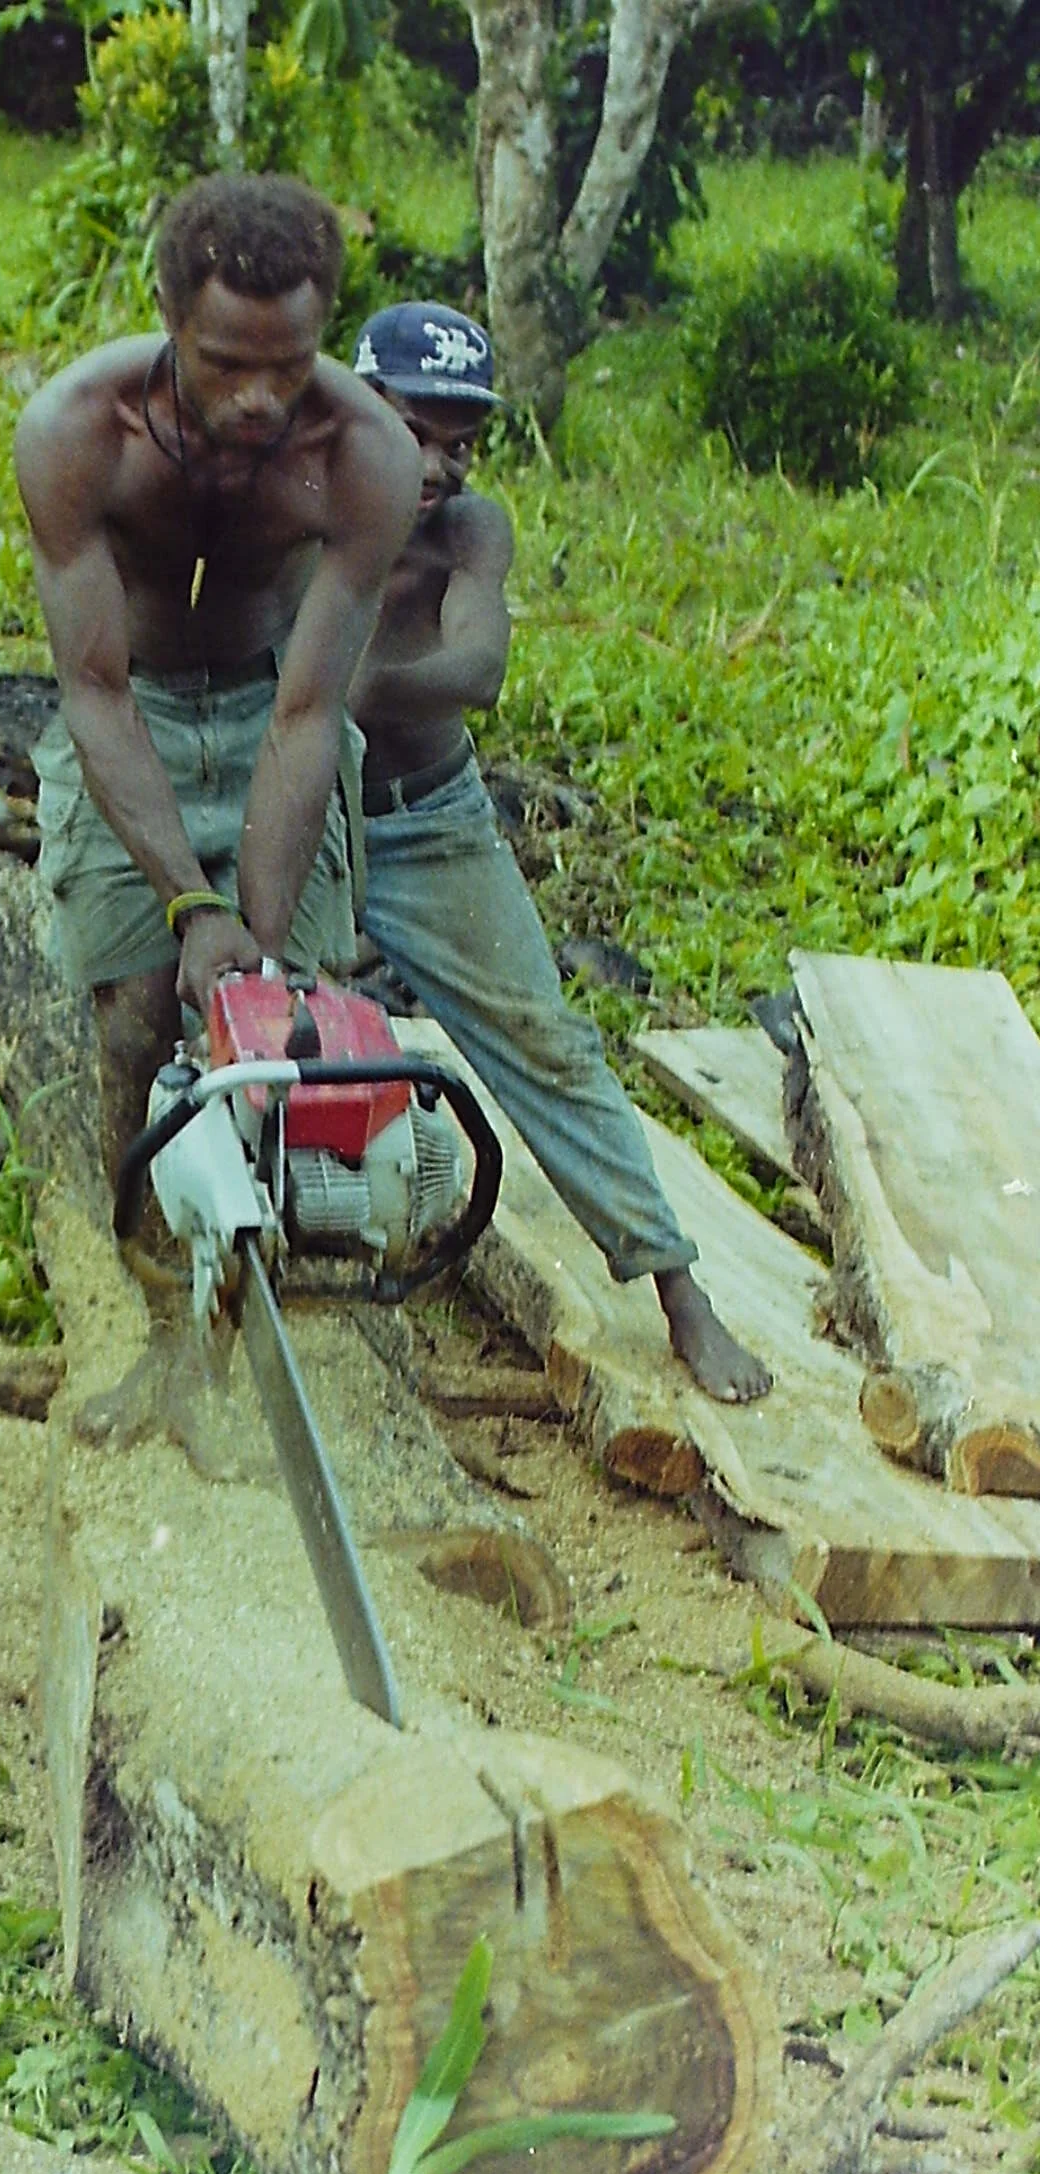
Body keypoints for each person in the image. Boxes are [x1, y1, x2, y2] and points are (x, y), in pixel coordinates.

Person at [346, 302, 770, 1403]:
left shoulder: (468, 533)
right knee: (259, 1026)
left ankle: (679, 1293)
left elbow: (475, 668)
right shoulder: (289, 513)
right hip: (303, 807)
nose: (437, 467)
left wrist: (337, 689)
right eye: (411, 433)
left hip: (430, 817)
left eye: (460, 446)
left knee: (549, 1041)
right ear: (352, 409)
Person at [15, 171, 419, 1199]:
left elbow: (309, 707)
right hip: (133, 703)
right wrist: (194, 908)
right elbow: (95, 692)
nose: (258, 398)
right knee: (139, 1015)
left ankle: (278, 1225)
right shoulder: (76, 432)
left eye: (287, 368)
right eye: (227, 364)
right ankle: (129, 1218)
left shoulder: (366, 454)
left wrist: (261, 943)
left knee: (286, 1014)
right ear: (168, 320)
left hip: (269, 699)